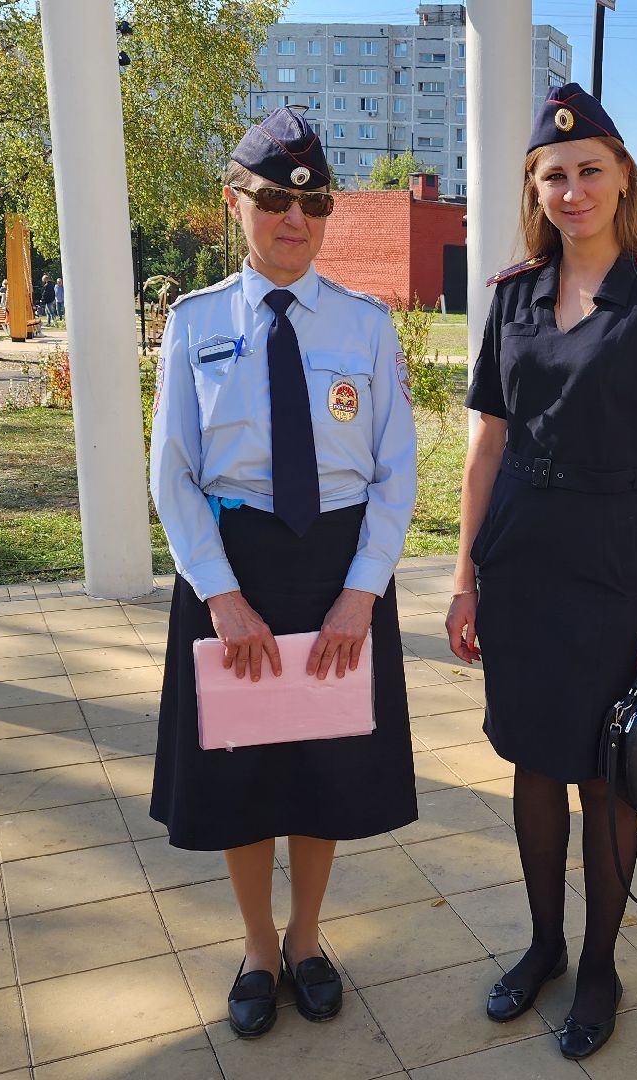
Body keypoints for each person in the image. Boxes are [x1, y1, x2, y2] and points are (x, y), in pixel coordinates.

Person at [446, 83, 637, 1061]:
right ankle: (544, 947)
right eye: (553, 174)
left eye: (589, 169)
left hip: (611, 568)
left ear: (623, 176)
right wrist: (465, 578)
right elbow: (485, 445)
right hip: (519, 564)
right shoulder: (512, 293)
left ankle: (600, 965)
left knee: (603, 780)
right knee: (530, 761)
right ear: (534, 186)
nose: (572, 188)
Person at [148, 104, 418, 1040]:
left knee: (325, 766)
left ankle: (308, 939)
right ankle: (258, 945)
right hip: (236, 571)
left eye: (311, 203)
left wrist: (363, 592)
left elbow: (396, 471)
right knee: (243, 774)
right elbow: (172, 474)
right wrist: (219, 595)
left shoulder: (366, 326)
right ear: (237, 205)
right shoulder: (194, 325)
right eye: (271, 200)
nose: (292, 220)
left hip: (336, 572)